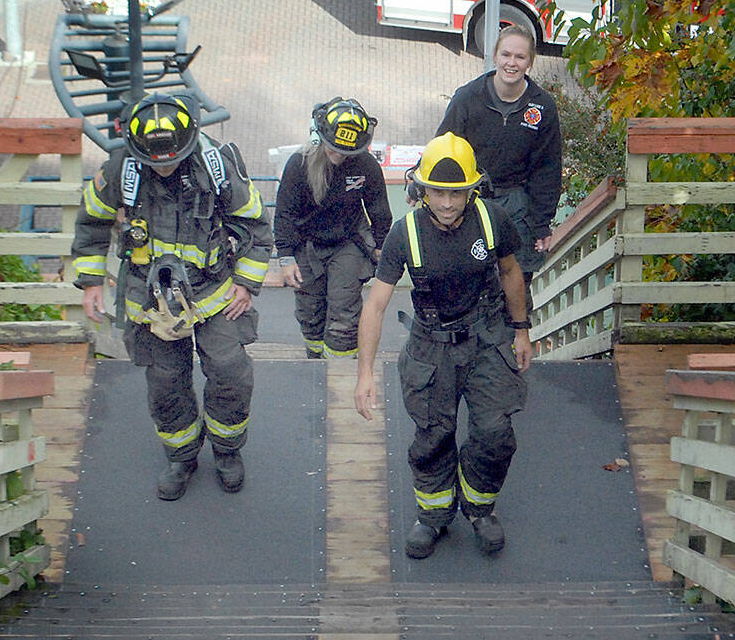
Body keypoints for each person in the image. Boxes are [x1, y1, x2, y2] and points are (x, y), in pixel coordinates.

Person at [71, 92, 273, 501]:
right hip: (151, 302)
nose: (164, 165)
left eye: (171, 158)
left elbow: (256, 226)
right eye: (155, 160)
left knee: (230, 370)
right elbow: (91, 222)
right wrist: (91, 281)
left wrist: (246, 284)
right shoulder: (121, 169)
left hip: (214, 293)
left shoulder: (215, 165)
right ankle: (181, 455)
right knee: (165, 381)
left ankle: (227, 450)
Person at [355, 132, 533, 559]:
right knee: (434, 435)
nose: (449, 204)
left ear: (473, 188)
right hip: (431, 344)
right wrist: (364, 375)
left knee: (495, 432)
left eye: (457, 194)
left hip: (487, 336)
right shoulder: (405, 234)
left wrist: (522, 329)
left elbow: (510, 272)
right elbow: (376, 305)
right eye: (439, 192)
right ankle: (434, 516)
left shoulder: (493, 221)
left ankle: (478, 506)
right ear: (420, 188)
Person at [435, 25, 562, 302]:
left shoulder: (542, 107)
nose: (511, 63)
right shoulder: (468, 98)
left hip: (518, 205)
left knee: (514, 288)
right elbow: (444, 147)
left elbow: (547, 170)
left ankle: (515, 340)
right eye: (506, 54)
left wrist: (542, 225)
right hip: (471, 200)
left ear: (530, 62)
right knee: (468, 283)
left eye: (520, 57)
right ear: (495, 55)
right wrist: (422, 190)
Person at [273, 97, 392, 359]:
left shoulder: (365, 165)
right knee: (309, 310)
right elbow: (284, 214)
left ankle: (341, 367)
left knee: (344, 314)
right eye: (333, 148)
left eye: (345, 151)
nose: (338, 155)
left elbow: (379, 210)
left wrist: (382, 247)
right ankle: (314, 360)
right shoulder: (299, 165)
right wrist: (286, 258)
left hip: (348, 244)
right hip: (307, 245)